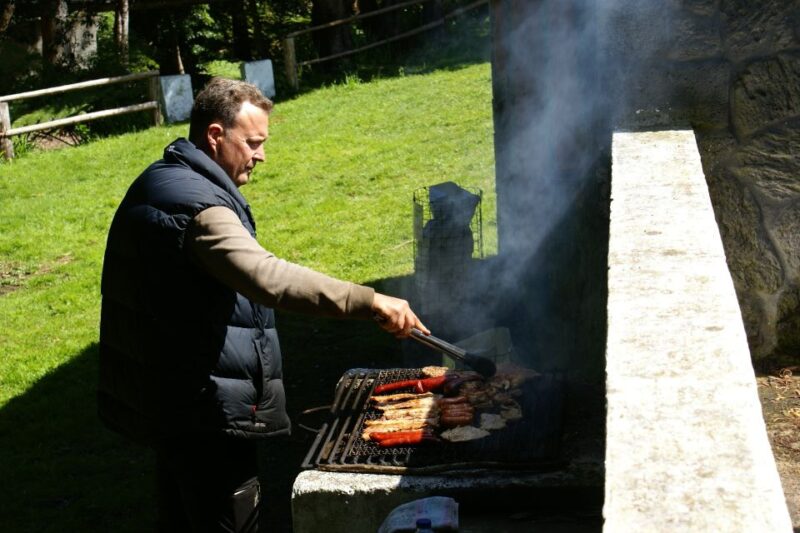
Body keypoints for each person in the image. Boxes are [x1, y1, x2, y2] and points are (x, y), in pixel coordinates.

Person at [98, 77, 428, 532]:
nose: (262, 155)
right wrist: (370, 301)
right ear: (215, 136)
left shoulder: (166, 181)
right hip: (204, 411)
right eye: (253, 142)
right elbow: (267, 278)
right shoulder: (195, 206)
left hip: (173, 400)